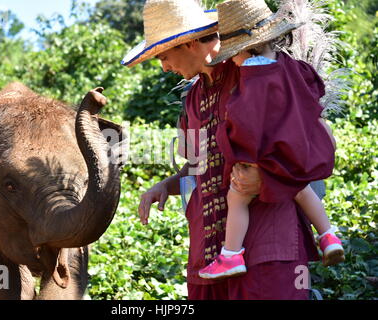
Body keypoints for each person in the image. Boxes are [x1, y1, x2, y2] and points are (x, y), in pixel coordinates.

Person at [123, 0, 321, 300]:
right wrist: (167, 185)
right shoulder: (192, 100)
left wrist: (267, 178)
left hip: (270, 247)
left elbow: (308, 144)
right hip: (208, 258)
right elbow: (199, 166)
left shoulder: (256, 71)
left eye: (164, 56)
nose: (164, 67)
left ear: (189, 44)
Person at [198, 0, 345, 280]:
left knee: (237, 195)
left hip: (268, 153)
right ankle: (328, 236)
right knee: (301, 188)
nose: (232, 61)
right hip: (295, 149)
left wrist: (231, 144)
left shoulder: (253, 77)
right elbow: (314, 93)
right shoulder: (292, 66)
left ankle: (230, 254)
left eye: (233, 55)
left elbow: (245, 120)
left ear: (241, 49)